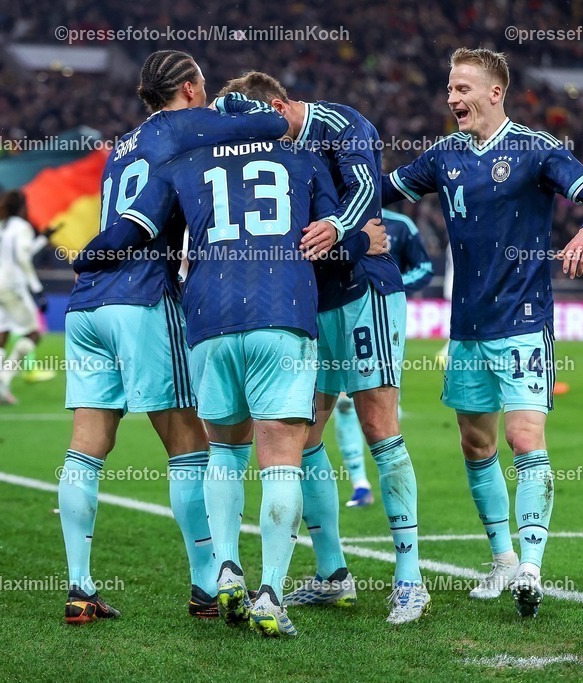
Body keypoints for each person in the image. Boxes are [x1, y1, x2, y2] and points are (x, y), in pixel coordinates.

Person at [74, 136, 352, 638]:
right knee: (281, 457)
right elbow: (337, 228)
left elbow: (135, 227)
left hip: (208, 317)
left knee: (223, 452)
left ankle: (225, 568)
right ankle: (269, 592)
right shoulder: (305, 157)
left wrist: (87, 256)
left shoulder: (187, 158)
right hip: (281, 309)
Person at [382, 48, 583, 617]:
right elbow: (381, 190)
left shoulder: (536, 149)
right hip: (467, 327)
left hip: (523, 320)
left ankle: (532, 567)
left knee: (522, 436)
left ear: (494, 93)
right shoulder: (443, 155)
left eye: (462, 87)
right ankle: (503, 559)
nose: (452, 98)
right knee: (475, 442)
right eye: (449, 87)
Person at [57, 50, 290, 625]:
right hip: (142, 296)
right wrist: (236, 106)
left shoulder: (122, 146)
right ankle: (206, 586)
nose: (209, 97)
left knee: (86, 445)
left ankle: (79, 587)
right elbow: (273, 122)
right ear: (188, 88)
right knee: (189, 446)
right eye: (205, 89)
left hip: (87, 305)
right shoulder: (191, 123)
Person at [218, 72, 430, 626]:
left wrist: (343, 230)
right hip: (311, 300)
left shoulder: (341, 124)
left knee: (379, 424)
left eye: (264, 122)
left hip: (365, 292)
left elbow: (366, 190)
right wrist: (356, 235)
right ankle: (334, 575)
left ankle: (410, 580)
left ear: (281, 104)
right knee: (305, 430)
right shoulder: (268, 153)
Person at [334, 208, 434, 508]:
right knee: (344, 403)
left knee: (381, 406)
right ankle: (360, 483)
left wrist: (392, 283)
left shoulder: (400, 225)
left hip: (385, 317)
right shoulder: (336, 219)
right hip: (340, 312)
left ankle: (390, 481)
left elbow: (424, 267)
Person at [0, 217, 55, 384]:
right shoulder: (10, 227)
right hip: (8, 287)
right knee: (28, 329)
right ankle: (26, 370)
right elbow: (13, 257)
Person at [0, 191, 50, 406]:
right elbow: (22, 257)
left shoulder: (3, 225)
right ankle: (3, 378)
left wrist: (43, 239)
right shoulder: (22, 226)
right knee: (33, 334)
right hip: (13, 287)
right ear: (22, 207)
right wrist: (37, 289)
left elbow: (20, 252)